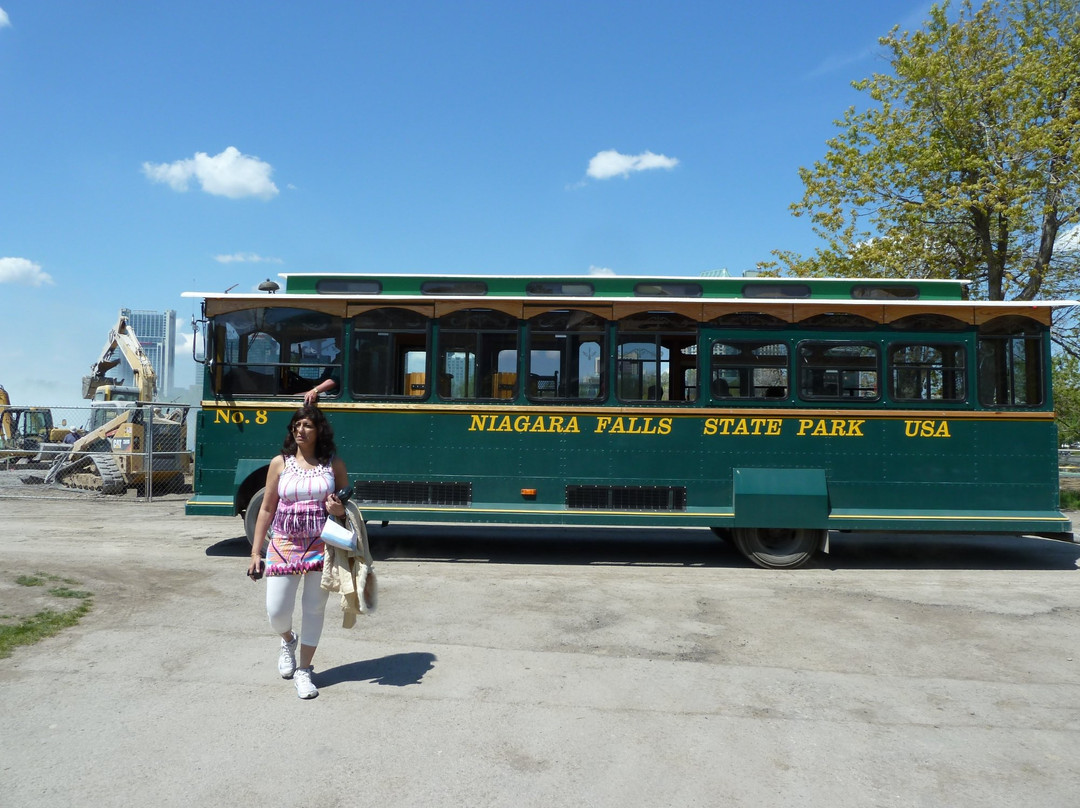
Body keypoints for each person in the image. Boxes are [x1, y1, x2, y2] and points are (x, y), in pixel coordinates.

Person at [247, 404, 348, 699]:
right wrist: (256, 552)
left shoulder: (333, 465)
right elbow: (266, 508)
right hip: (284, 543)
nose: (300, 430)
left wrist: (339, 509)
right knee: (276, 611)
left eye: (307, 425)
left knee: (314, 608)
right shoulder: (280, 463)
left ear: (319, 431)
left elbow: (347, 508)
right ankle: (287, 639)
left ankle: (304, 670)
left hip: (321, 544)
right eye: (296, 425)